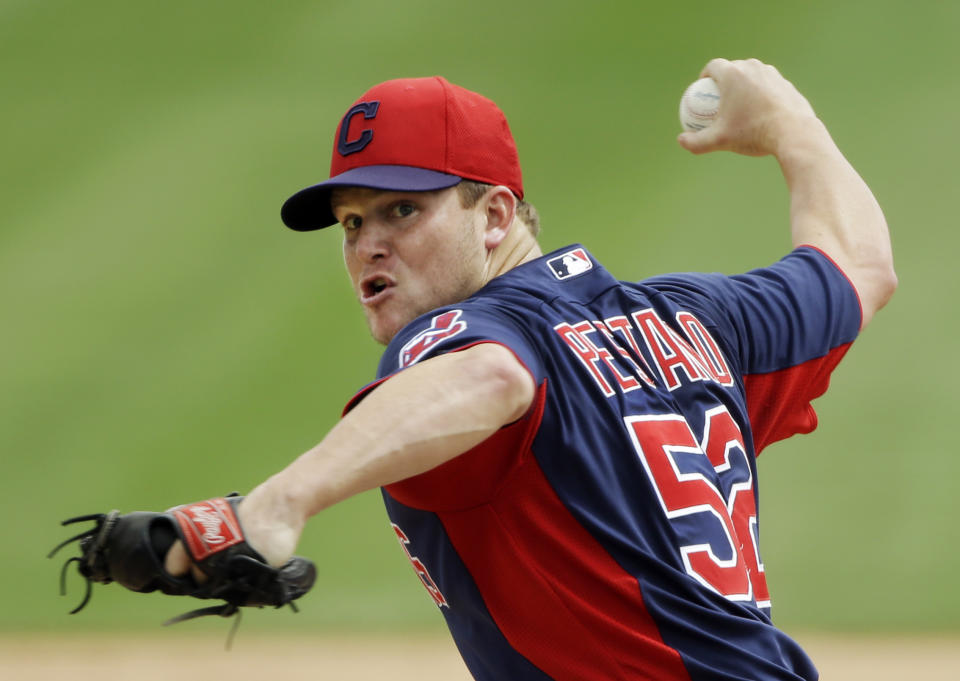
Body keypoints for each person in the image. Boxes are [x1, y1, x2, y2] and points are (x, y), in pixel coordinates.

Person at [168, 58, 896, 680]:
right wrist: (790, 124)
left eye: (401, 210)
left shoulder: (465, 334)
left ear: (494, 215)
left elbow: (490, 378)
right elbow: (859, 264)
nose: (368, 246)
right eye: (353, 221)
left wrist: (277, 503)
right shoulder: (698, 318)